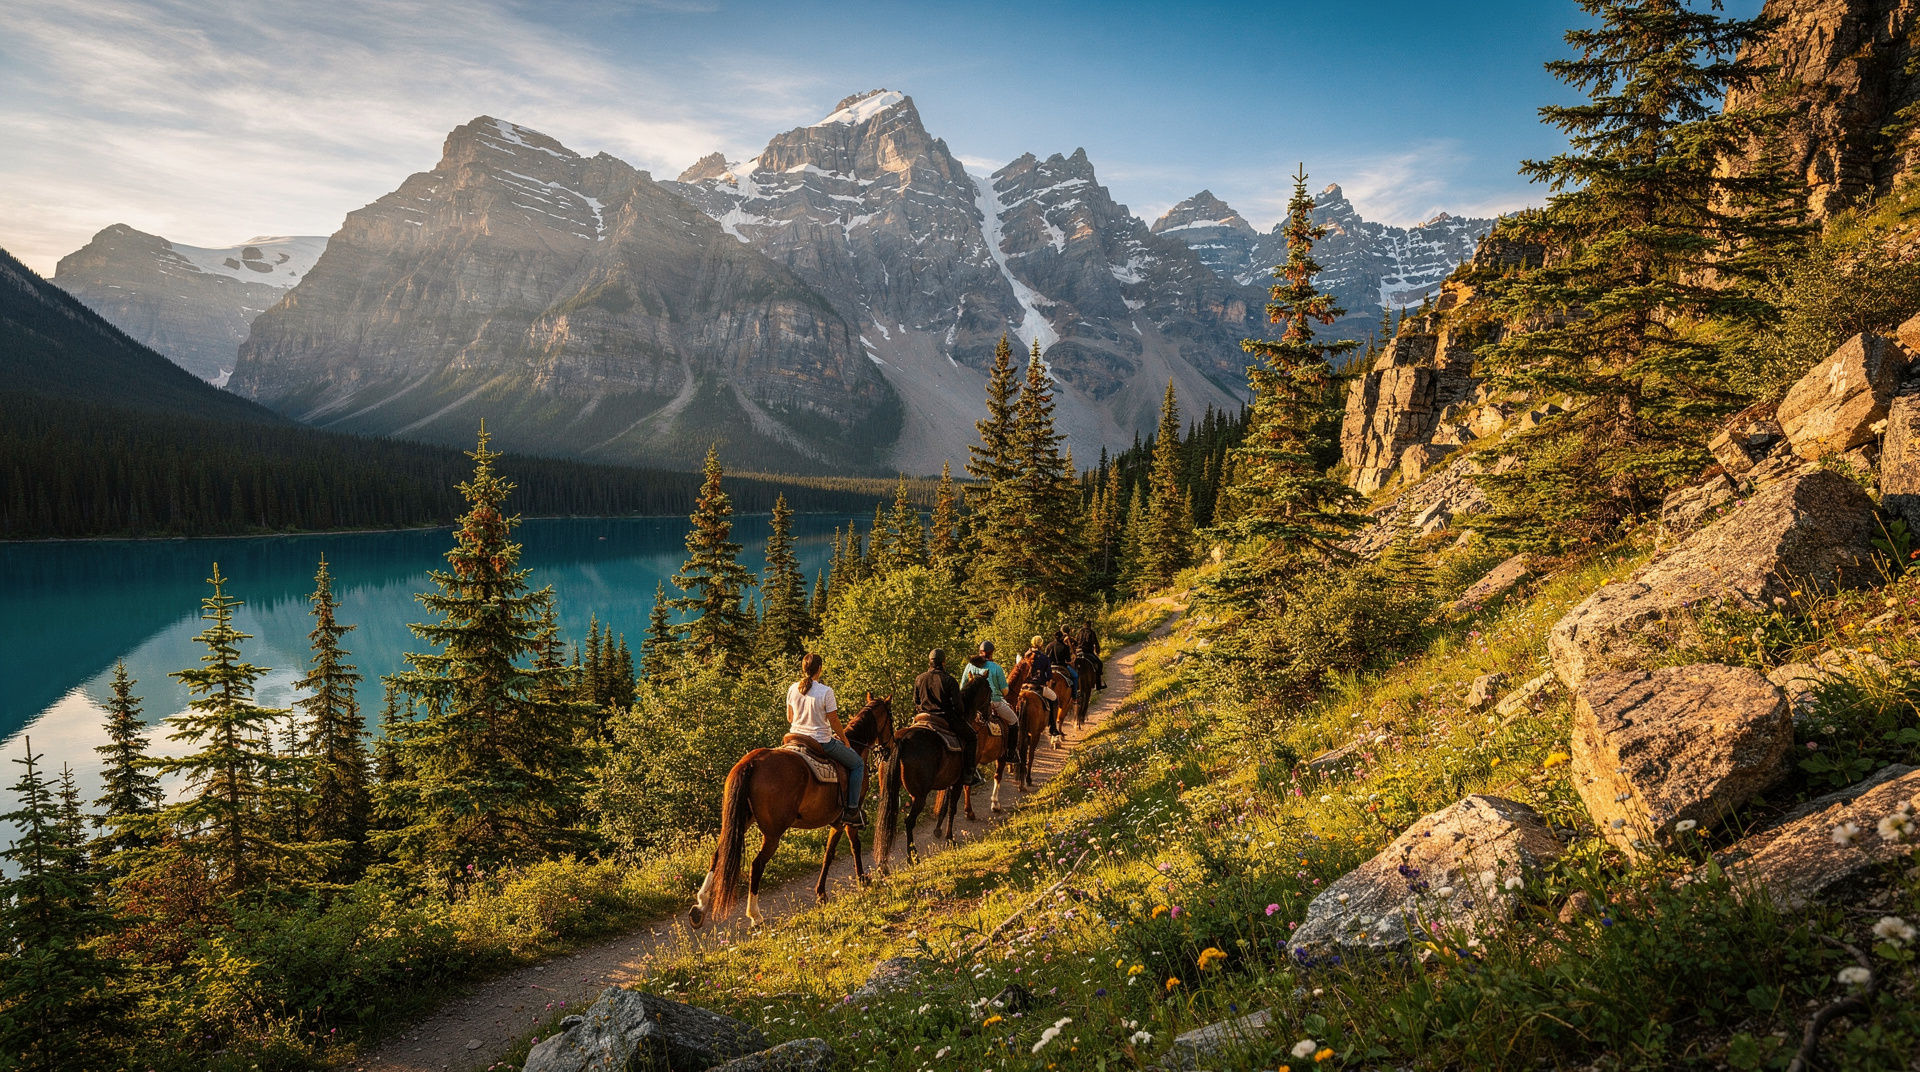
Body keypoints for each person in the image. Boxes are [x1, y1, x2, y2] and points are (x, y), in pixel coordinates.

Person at [787, 652, 864, 826]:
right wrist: (844, 739)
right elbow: (834, 720)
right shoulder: (826, 691)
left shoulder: (793, 688)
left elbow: (790, 718)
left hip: (795, 739)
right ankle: (852, 810)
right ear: (819, 669)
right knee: (858, 764)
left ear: (803, 668)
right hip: (820, 741)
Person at [915, 648, 984, 788]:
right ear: (944, 662)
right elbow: (958, 706)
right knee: (972, 737)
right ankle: (969, 773)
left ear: (930, 661)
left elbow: (916, 701)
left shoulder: (919, 678)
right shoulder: (949, 680)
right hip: (944, 718)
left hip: (922, 718)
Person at [959, 640, 1017, 732]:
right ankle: (1011, 747)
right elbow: (1005, 691)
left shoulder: (970, 665)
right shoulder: (997, 668)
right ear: (992, 653)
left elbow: (962, 686)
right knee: (1014, 721)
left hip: (973, 703)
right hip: (994, 702)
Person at [1025, 635, 1058, 736]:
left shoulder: (1026, 655)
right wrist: (1048, 680)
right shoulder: (1044, 658)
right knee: (1054, 698)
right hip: (1039, 687)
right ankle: (1053, 727)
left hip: (1025, 686)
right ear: (1041, 645)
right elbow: (1048, 675)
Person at [1045, 628, 1077, 699]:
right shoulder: (1065, 647)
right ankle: (1074, 696)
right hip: (1062, 666)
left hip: (1051, 666)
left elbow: (1046, 657)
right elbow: (1068, 660)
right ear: (1062, 637)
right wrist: (1073, 659)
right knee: (1075, 676)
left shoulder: (1049, 646)